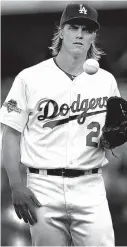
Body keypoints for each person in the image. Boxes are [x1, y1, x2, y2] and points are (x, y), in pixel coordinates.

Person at [0, 2, 121, 246]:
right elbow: (11, 133)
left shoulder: (106, 81)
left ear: (94, 35)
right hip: (42, 185)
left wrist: (116, 136)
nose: (79, 34)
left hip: (90, 184)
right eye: (74, 27)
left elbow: (115, 134)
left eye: (86, 29)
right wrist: (15, 184)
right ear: (61, 32)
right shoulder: (30, 78)